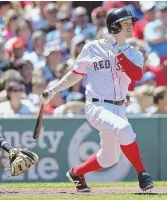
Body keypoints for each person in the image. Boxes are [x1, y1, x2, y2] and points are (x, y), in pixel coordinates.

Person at [39, 8, 153, 192]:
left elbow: (136, 75)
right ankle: (143, 174)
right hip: (97, 104)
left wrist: (117, 52)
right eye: (126, 22)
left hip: (119, 107)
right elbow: (76, 74)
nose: (131, 25)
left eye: (131, 22)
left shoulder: (135, 53)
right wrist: (53, 90)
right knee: (124, 129)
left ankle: (77, 173)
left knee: (110, 158)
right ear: (114, 26)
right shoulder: (92, 47)